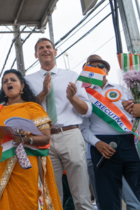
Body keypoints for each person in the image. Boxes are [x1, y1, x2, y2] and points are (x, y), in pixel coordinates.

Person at [0, 69, 62, 210]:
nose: (9, 83)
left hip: (24, 163)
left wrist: (25, 140)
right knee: (1, 201)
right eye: (5, 81)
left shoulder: (33, 108)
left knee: (26, 201)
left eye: (13, 80)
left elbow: (45, 138)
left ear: (22, 85)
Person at [25, 38, 93, 209]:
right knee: (51, 196)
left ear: (55, 52)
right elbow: (27, 110)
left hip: (70, 134)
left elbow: (86, 110)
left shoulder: (72, 76)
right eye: (41, 48)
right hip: (43, 138)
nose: (45, 50)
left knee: (82, 194)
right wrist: (44, 92)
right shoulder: (27, 80)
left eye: (48, 47)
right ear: (36, 55)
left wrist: (72, 98)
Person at [80, 54, 140, 210]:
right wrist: (97, 143)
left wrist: (133, 108)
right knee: (108, 196)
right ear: (86, 72)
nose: (97, 69)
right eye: (92, 66)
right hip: (102, 145)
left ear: (106, 70)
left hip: (129, 142)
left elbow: (134, 117)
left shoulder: (123, 89)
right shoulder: (83, 94)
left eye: (101, 66)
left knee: (137, 188)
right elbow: (83, 127)